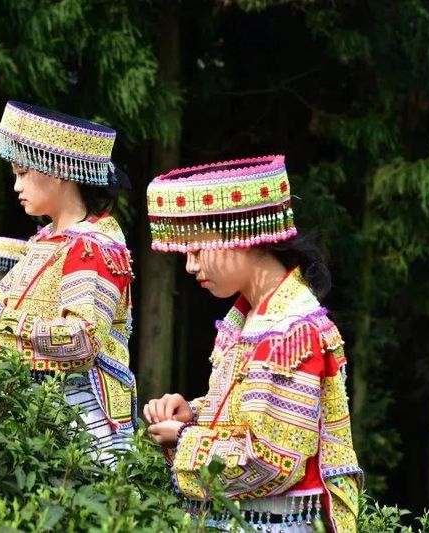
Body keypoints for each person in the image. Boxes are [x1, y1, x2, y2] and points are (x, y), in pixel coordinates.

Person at [142, 155, 362, 531]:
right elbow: (248, 416)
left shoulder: (291, 331)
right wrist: (193, 413)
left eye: (196, 249)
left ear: (239, 237)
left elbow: (272, 460)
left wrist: (185, 438)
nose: (190, 266)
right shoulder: (251, 319)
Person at [0, 101, 137, 465]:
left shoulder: (92, 246)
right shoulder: (45, 241)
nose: (16, 185)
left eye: (22, 172)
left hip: (81, 429)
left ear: (59, 169)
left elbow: (81, 340)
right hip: (37, 420)